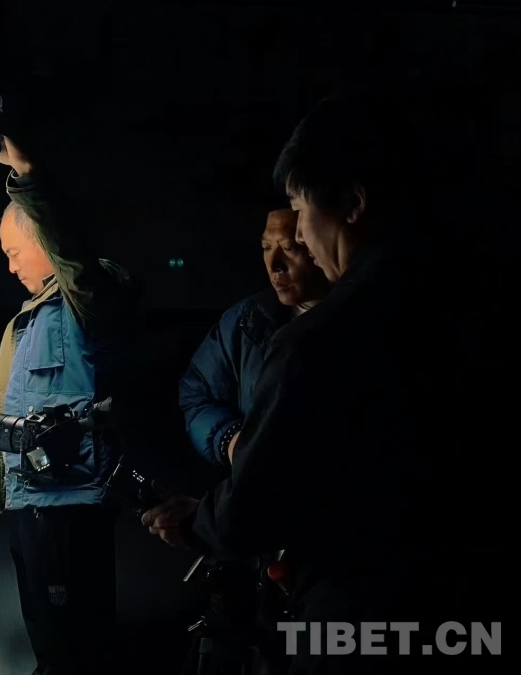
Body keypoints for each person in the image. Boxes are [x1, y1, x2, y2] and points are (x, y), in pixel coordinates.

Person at [142, 87, 503, 673]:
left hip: (352, 612)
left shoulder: (322, 341)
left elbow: (255, 503)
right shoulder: (465, 303)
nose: (301, 242)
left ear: (353, 205)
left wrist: (201, 519)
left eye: (302, 215)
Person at [0, 111, 137, 675]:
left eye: (15, 253)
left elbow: (75, 256)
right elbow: (39, 395)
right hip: (33, 501)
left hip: (69, 506)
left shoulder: (88, 300)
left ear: (44, 238)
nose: (10, 268)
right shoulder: (33, 318)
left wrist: (24, 170)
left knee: (73, 643)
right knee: (46, 629)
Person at [179, 207, 328, 467]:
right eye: (266, 247)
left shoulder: (357, 320)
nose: (274, 265)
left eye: (290, 248)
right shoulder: (245, 321)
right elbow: (196, 392)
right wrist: (230, 440)